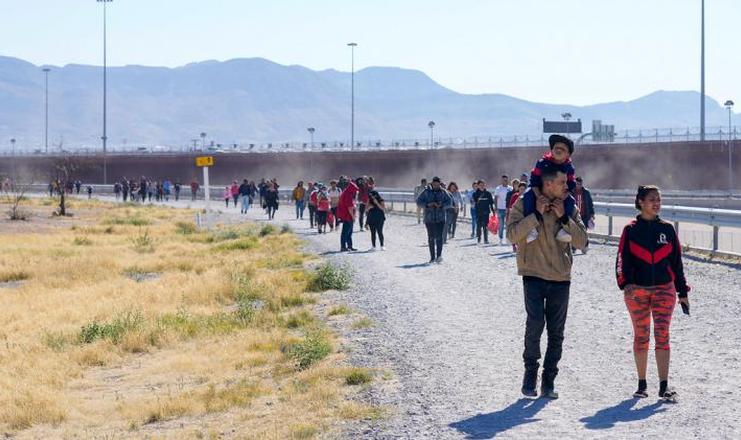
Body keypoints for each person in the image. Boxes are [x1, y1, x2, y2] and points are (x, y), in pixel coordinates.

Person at [506, 167, 588, 399]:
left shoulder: (569, 205)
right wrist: (536, 215)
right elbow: (511, 235)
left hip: (561, 277)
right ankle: (530, 374)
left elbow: (583, 241)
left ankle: (549, 381)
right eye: (563, 182)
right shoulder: (526, 202)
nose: (567, 186)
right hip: (532, 273)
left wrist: (564, 217)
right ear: (548, 184)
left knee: (556, 332)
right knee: (534, 323)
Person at [616, 185, 690, 402]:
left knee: (662, 334)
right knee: (641, 336)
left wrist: (682, 291)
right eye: (651, 199)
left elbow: (677, 263)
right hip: (636, 291)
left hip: (664, 290)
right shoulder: (630, 230)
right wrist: (625, 283)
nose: (656, 203)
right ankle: (641, 384)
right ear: (640, 202)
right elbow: (622, 260)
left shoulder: (667, 229)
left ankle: (664, 386)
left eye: (659, 199)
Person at [522, 135, 577, 244]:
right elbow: (533, 182)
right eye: (556, 147)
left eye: (563, 149)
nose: (558, 150)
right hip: (538, 192)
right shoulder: (542, 163)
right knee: (527, 196)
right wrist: (540, 197)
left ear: (568, 154)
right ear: (551, 150)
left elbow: (570, 186)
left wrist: (561, 199)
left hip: (560, 196)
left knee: (570, 201)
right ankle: (531, 229)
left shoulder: (569, 168)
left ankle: (564, 228)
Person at [416, 176, 452, 263]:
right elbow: (418, 202)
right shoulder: (426, 192)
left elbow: (450, 202)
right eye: (434, 183)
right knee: (431, 237)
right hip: (429, 218)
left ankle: (439, 256)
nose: (436, 185)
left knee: (439, 237)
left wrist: (442, 205)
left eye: (438, 184)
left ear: (440, 183)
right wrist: (428, 205)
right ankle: (432, 257)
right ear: (432, 183)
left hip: (441, 218)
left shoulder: (444, 192)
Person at [337, 177, 360, 251]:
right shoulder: (348, 195)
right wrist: (353, 217)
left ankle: (349, 246)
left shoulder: (346, 193)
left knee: (349, 232)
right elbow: (349, 207)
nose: (355, 192)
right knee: (346, 232)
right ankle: (343, 247)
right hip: (348, 216)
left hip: (347, 216)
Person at [574, 176, 595, 254]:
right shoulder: (572, 192)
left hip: (584, 215)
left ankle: (585, 247)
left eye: (580, 184)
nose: (578, 185)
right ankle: (574, 247)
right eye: (577, 184)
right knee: (574, 231)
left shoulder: (586, 192)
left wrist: (592, 214)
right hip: (575, 215)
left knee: (584, 232)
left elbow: (590, 204)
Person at [473, 180, 495, 244]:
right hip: (478, 212)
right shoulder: (475, 194)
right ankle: (479, 238)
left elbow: (491, 203)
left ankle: (486, 239)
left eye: (483, 185)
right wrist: (479, 198)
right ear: (478, 186)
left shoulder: (488, 193)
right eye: (480, 185)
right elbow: (475, 201)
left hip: (486, 212)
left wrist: (493, 211)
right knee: (479, 226)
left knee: (485, 226)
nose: (482, 186)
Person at [507, 181, 527, 252]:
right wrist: (509, 216)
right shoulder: (515, 196)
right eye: (521, 189)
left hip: (524, 217)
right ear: (518, 189)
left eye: (524, 189)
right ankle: (514, 246)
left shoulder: (527, 196)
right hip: (515, 217)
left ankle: (520, 246)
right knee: (515, 231)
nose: (522, 190)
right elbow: (510, 207)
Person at [494, 175, 513, 245]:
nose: (505, 181)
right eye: (503, 180)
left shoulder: (510, 188)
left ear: (508, 180)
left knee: (508, 225)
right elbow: (495, 198)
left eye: (506, 180)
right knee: (501, 225)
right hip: (500, 209)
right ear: (501, 180)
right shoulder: (498, 188)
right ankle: (500, 239)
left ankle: (508, 239)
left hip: (508, 209)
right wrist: (495, 207)